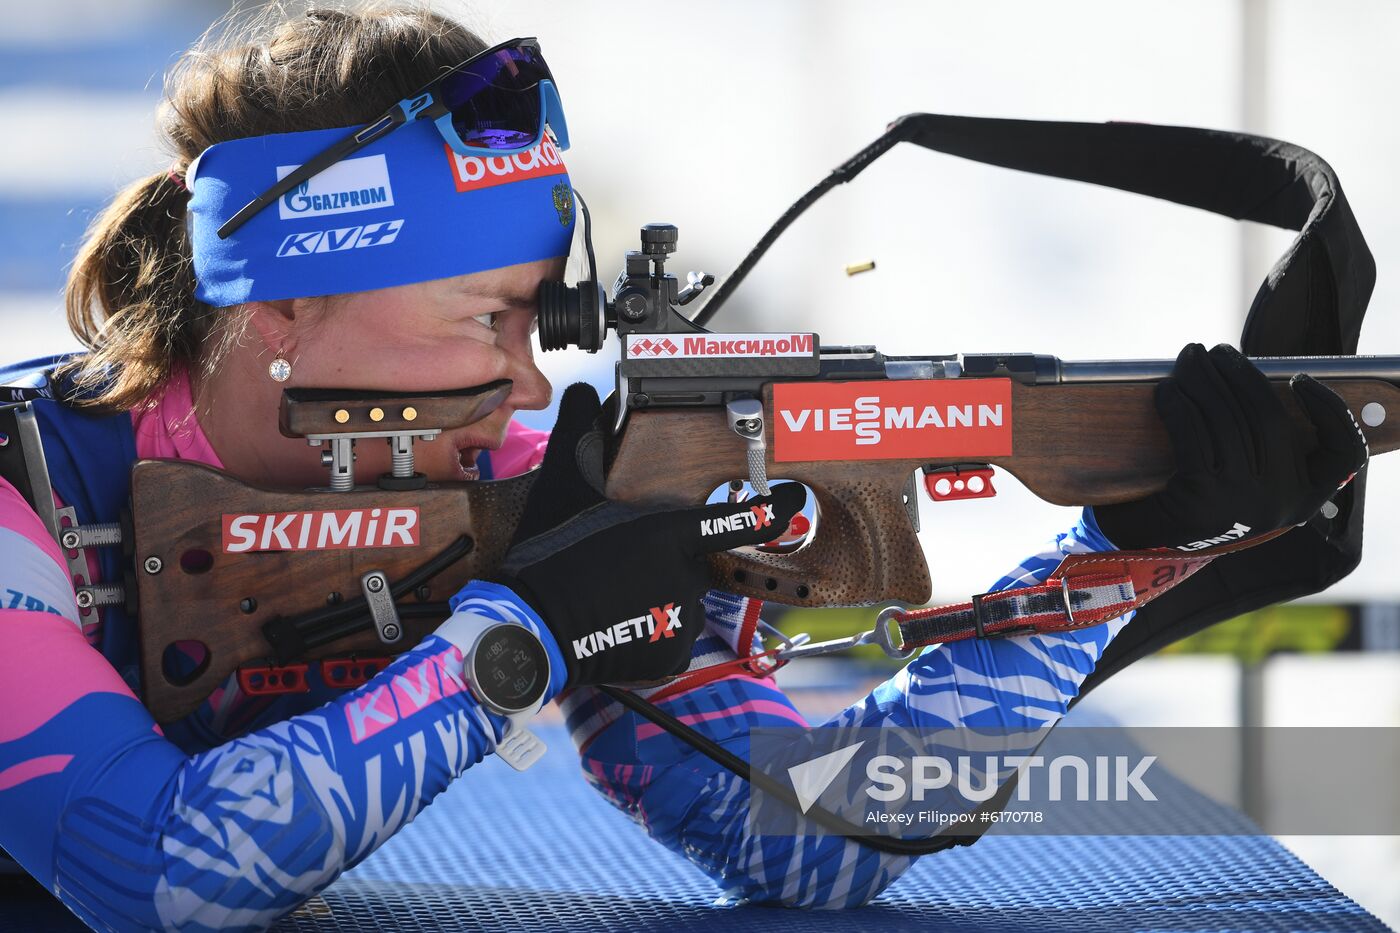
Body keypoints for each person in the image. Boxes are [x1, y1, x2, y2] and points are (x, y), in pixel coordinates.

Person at [0, 5, 1367, 929]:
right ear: (287, 306)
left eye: (547, 320)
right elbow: (158, 870)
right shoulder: (25, 499)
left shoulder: (510, 479)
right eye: (490, 317)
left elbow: (819, 837)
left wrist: (1122, 557)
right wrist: (522, 637)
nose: (536, 382)